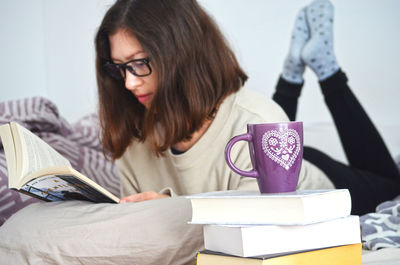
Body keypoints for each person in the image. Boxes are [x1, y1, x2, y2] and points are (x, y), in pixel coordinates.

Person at [95, 0, 400, 216]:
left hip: (312, 177)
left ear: (181, 55)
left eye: (139, 63)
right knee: (263, 131)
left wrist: (173, 209)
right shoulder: (133, 142)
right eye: (119, 67)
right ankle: (292, 75)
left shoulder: (254, 117)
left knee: (391, 185)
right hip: (272, 153)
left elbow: (263, 223)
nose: (129, 84)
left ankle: (325, 71)